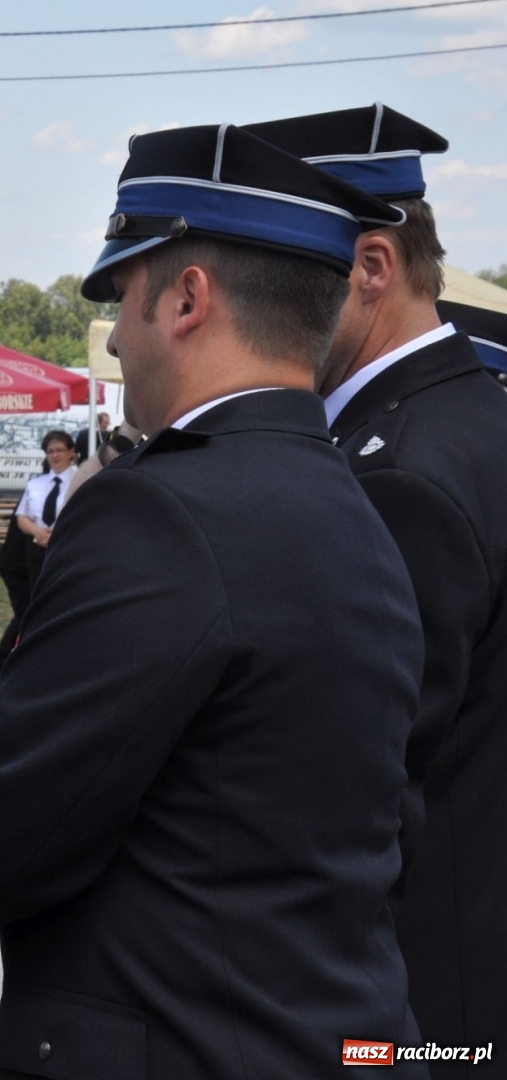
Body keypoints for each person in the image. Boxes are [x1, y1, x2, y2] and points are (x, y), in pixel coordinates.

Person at [0, 125, 429, 1078]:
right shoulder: (352, 501)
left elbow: (26, 804)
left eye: (123, 301)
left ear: (186, 298)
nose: (119, 338)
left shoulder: (162, 511)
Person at [248, 103, 507, 1075]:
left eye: (273, 266)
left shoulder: (400, 473)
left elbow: (358, 781)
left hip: (420, 1006)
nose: (246, 299)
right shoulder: (465, 421)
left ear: (370, 268)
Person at [0, 430, 75, 678]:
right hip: (35, 551)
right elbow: (22, 517)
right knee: (34, 607)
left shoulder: (80, 482)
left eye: (60, 450)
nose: (55, 455)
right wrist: (38, 532)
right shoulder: (36, 484)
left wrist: (56, 535)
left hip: (62, 550)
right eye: (50, 451)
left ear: (71, 452)